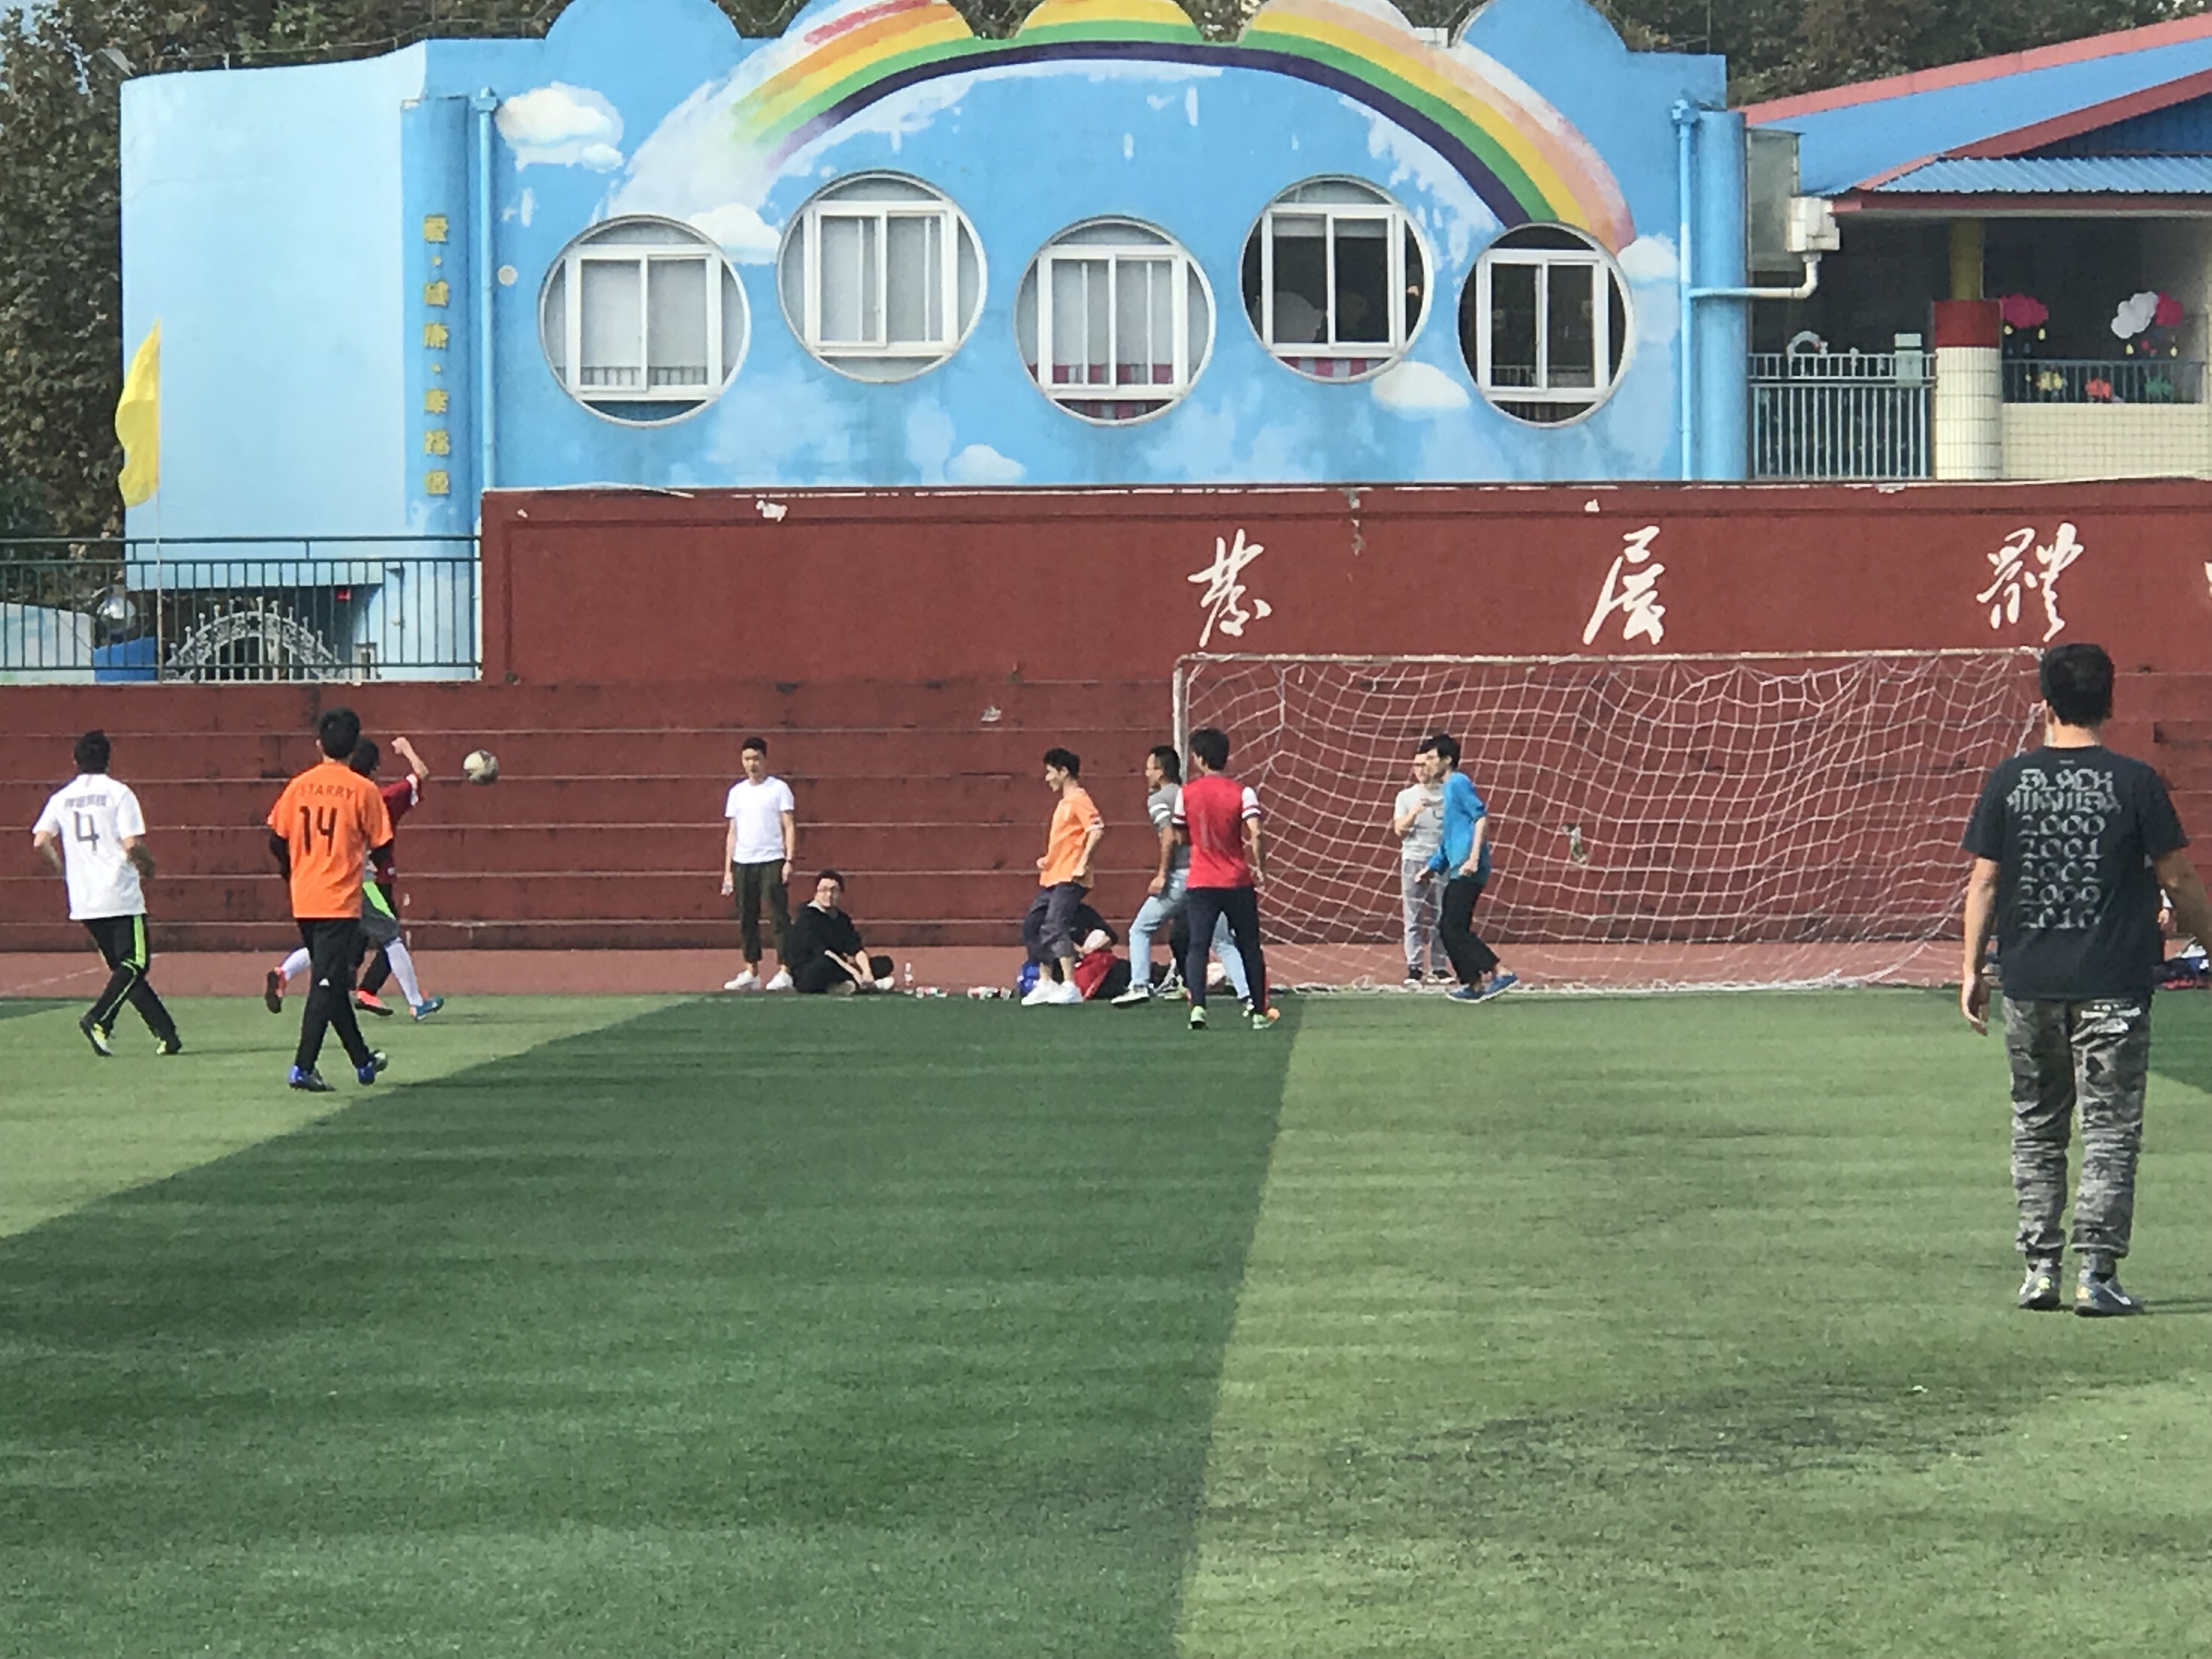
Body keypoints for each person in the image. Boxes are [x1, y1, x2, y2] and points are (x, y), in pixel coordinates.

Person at [1960, 642, 2212, 1317]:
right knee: (2110, 1128)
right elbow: (2178, 877)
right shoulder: (2135, 783)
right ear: (2110, 702)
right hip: (2113, 983)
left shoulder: (2009, 781)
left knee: (2037, 1124)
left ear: (2044, 703)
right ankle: (2096, 1274)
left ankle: (2039, 1268)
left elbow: (1985, 881)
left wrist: (1971, 967)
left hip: (2030, 981)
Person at [263, 736, 444, 1022]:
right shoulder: (375, 796)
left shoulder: (327, 794)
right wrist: (406, 749)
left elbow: (279, 837)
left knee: (330, 941)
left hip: (323, 879)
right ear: (373, 768)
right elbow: (420, 776)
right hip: (362, 881)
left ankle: (284, 972)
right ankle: (415, 1002)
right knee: (391, 935)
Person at [30, 729, 182, 1057]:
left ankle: (167, 1034)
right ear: (109, 760)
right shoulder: (118, 793)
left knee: (124, 971)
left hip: (84, 897)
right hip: (119, 893)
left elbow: (41, 840)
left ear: (76, 761)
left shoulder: (62, 797)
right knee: (136, 963)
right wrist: (149, 865)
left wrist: (63, 870)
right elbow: (131, 843)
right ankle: (99, 1018)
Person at [267, 706, 392, 1092]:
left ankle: (362, 1060)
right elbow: (383, 845)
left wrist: (292, 871)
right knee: (325, 982)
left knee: (333, 981)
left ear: (319, 743)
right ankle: (303, 1066)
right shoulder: (363, 789)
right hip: (339, 899)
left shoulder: (299, 786)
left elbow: (276, 838)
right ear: (354, 747)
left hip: (304, 897)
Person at [1112, 744, 1253, 1008]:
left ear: (1161, 771)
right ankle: (1248, 995)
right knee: (1222, 941)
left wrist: (1162, 874)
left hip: (1182, 876)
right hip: (1209, 876)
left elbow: (1169, 836)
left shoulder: (1159, 799)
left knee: (1140, 928)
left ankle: (1139, 984)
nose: (1146, 774)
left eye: (1149, 768)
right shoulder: (1190, 794)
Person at [1174, 726, 1272, 1032]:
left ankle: (1198, 1007)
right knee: (1249, 945)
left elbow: (1179, 835)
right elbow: (1256, 833)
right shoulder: (1243, 792)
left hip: (1201, 881)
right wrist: (1262, 867)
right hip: (1236, 880)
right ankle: (1259, 1011)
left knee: (1198, 945)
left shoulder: (1186, 793)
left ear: (1200, 758)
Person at [1420, 732, 1519, 1003]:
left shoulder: (1458, 782)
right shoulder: (1447, 791)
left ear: (1447, 760)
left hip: (1469, 867)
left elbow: (1480, 817)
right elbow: (1449, 837)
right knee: (1450, 927)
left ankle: (1500, 971)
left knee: (1452, 927)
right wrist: (1432, 867)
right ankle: (1472, 983)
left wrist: (1473, 858)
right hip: (1457, 867)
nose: (1427, 764)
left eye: (1431, 758)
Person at [1021, 748, 1103, 1007]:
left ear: (1064, 771)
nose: (1047, 778)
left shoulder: (1079, 799)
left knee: (1055, 925)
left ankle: (1070, 985)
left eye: (1050, 772)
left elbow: (1096, 829)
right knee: (1034, 925)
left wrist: (1083, 862)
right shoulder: (1064, 803)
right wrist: (1048, 859)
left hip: (1070, 876)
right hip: (1054, 875)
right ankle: (1046, 981)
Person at [721, 736, 797, 992]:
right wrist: (728, 871)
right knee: (747, 917)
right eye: (747, 759)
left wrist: (789, 860)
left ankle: (785, 969)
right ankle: (751, 970)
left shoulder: (779, 789)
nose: (752, 764)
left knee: (778, 916)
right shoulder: (737, 793)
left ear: (765, 760)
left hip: (771, 859)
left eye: (756, 759)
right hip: (743, 861)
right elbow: (733, 832)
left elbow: (789, 825)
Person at [1392, 749, 1451, 985]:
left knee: (1441, 916)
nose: (1420, 770)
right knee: (1413, 916)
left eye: (1424, 764)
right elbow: (1399, 830)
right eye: (1416, 765)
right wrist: (1414, 813)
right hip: (1414, 860)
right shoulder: (1406, 797)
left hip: (1442, 861)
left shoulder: (1448, 794)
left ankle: (1439, 967)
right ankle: (1414, 968)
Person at [783, 870, 895, 995]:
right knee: (825, 964)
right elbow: (824, 953)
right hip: (811, 970)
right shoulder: (807, 917)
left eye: (834, 890)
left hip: (840, 965)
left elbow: (856, 948)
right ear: (816, 893)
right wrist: (854, 972)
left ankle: (850, 985)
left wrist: (867, 972)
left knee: (884, 963)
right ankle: (860, 985)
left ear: (841, 893)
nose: (829, 895)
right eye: (824, 890)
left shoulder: (842, 919)